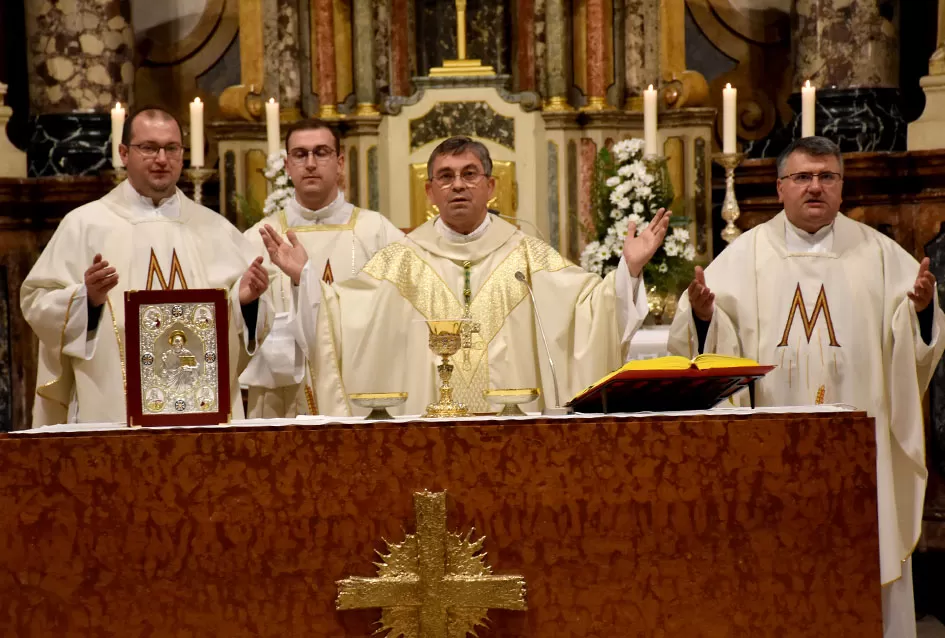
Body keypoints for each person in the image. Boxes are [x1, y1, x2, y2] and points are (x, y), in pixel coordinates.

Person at [668, 136, 945, 638]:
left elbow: (915, 346)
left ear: (842, 186)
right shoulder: (743, 256)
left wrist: (921, 313)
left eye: (826, 177)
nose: (815, 187)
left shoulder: (882, 255)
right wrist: (705, 317)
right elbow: (705, 346)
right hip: (771, 447)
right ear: (780, 188)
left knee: (861, 548)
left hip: (862, 447)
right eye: (802, 177)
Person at [261, 135, 670, 415]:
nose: (458, 185)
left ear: (491, 186)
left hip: (513, 432)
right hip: (427, 430)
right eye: (446, 176)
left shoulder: (528, 255)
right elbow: (337, 318)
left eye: (469, 174)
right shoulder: (400, 261)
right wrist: (304, 279)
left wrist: (630, 269)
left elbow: (592, 310)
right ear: (429, 191)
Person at [21, 106, 273, 425]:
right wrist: (86, 300)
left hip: (200, 410)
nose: (161, 159)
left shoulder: (216, 229)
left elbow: (245, 326)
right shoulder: (84, 225)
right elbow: (37, 302)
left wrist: (244, 302)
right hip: (113, 405)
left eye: (172, 148)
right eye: (149, 148)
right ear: (124, 153)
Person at [240, 118, 404, 418]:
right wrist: (247, 305)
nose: (311, 163)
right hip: (283, 398)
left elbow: (399, 314)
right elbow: (239, 328)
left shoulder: (378, 232)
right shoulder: (259, 237)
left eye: (321, 152)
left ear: (340, 163)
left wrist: (306, 282)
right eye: (300, 154)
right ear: (287, 166)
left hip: (358, 388)